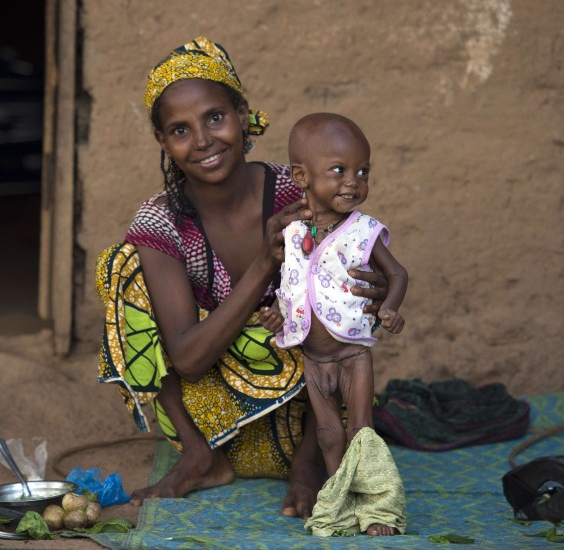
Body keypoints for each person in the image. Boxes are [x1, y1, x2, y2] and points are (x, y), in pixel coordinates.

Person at [95, 37, 388, 521]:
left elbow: (357, 284)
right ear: (163, 142)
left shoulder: (298, 189)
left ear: (242, 113)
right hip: (210, 419)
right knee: (120, 270)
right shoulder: (161, 221)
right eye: (180, 129)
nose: (204, 140)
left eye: (215, 117)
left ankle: (309, 465)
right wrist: (264, 263)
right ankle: (198, 458)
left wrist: (370, 288)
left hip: (307, 415)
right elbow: (187, 358)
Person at [260, 112, 408, 535]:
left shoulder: (364, 231)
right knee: (328, 435)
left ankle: (379, 510)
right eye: (339, 170)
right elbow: (291, 286)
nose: (354, 182)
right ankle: (340, 503)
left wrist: (390, 309)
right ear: (301, 177)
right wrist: (277, 315)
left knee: (362, 430)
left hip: (351, 356)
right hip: (313, 358)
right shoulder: (292, 234)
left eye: (363, 171)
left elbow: (398, 275)